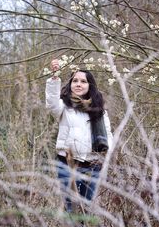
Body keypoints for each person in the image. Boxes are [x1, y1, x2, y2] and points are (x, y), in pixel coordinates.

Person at [45, 59, 113, 214]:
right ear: (70, 84)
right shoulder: (64, 107)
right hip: (67, 164)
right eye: (75, 80)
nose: (78, 84)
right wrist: (54, 78)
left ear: (90, 86)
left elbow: (109, 136)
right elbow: (51, 103)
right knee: (71, 208)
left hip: (93, 166)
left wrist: (104, 157)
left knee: (87, 209)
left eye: (83, 81)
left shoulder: (99, 111)